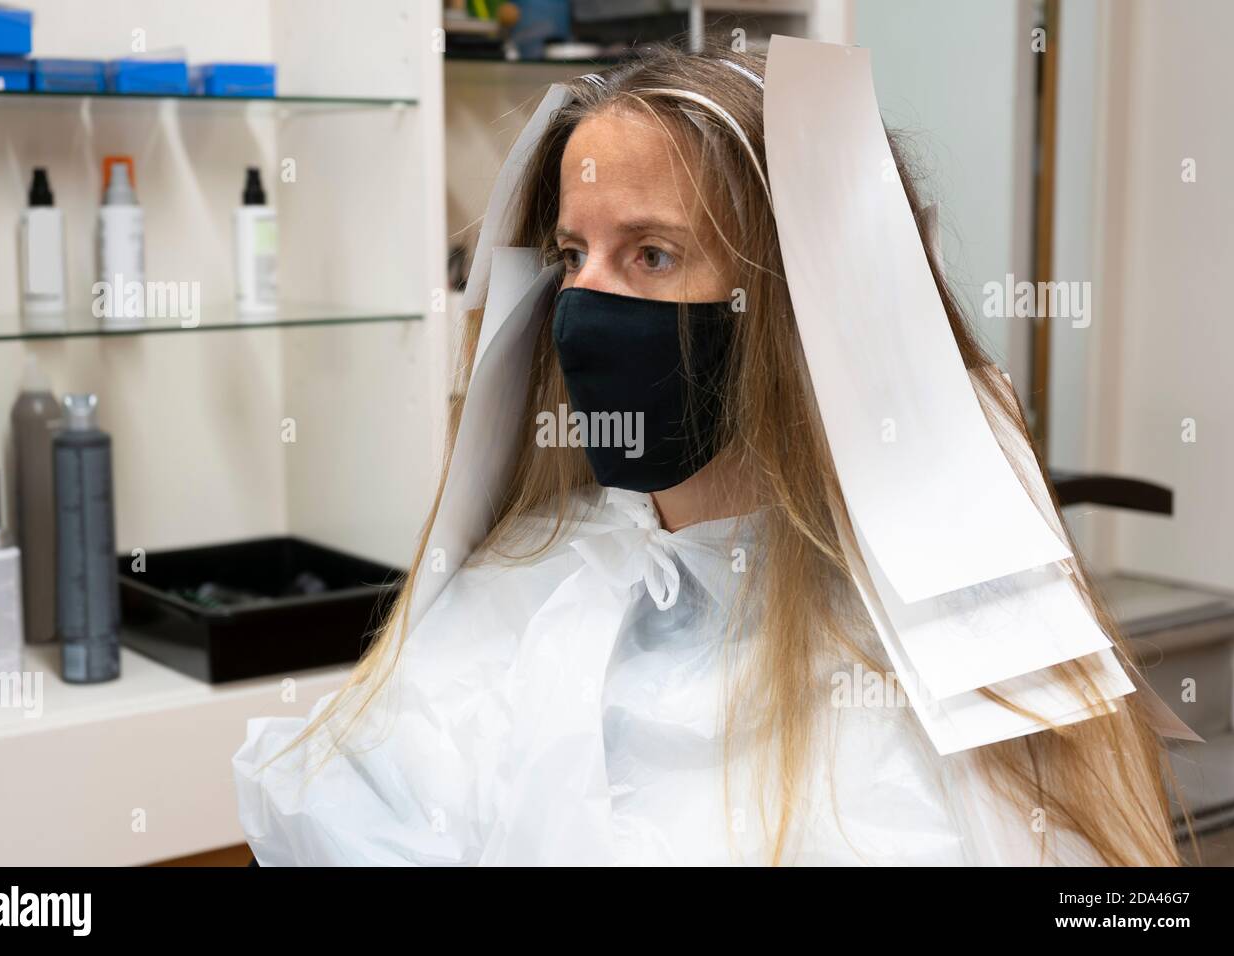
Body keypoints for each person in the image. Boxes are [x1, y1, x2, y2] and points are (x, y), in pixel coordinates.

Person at [233, 42, 1184, 866]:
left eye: (650, 253)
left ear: (792, 301)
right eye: (573, 255)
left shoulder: (944, 665)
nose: (583, 302)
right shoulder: (527, 588)